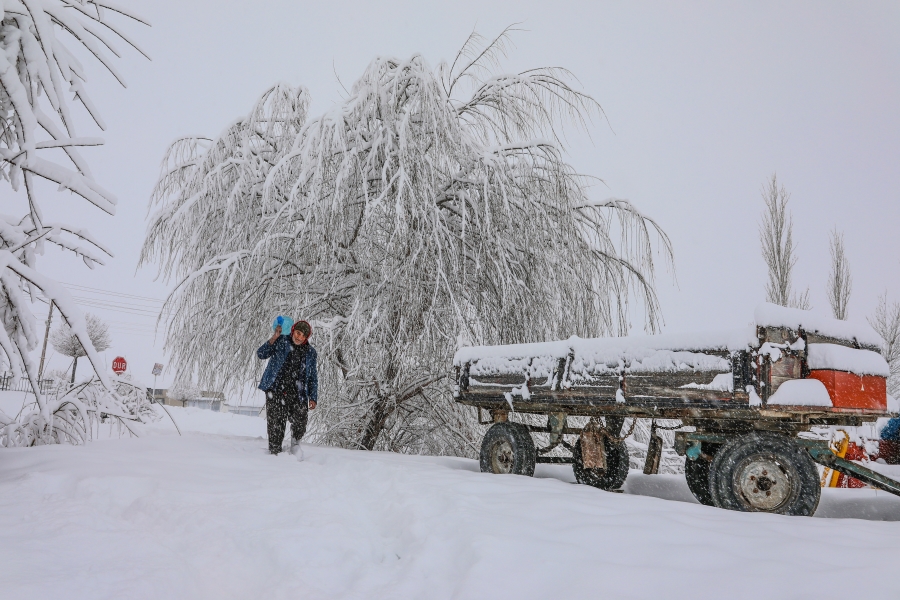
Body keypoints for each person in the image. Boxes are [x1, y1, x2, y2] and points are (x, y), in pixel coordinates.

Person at [257, 320, 318, 455]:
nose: (299, 337)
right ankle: (275, 452)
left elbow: (313, 376)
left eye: (303, 335)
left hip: (298, 393)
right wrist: (274, 337)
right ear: (293, 331)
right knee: (276, 425)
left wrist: (313, 397)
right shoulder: (281, 341)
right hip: (276, 390)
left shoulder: (310, 352)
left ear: (306, 338)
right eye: (298, 333)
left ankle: (295, 445)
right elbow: (261, 354)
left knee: (301, 418)